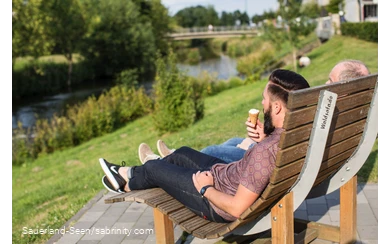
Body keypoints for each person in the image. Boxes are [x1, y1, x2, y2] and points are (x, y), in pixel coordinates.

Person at [99, 69, 310, 223]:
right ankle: (139, 175)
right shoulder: (294, 135)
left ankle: (125, 180)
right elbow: (268, 157)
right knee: (181, 154)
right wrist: (263, 137)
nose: (262, 104)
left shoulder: (266, 152)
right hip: (228, 177)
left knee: (155, 169)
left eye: (264, 99)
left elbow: (237, 208)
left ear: (276, 107)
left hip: (216, 203)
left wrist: (205, 188)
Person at [156, 59, 371, 163]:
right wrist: (265, 135)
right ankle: (173, 156)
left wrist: (264, 140)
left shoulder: (330, 113)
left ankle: (168, 162)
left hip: (276, 165)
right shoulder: (352, 112)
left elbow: (293, 149)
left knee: (213, 150)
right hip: (288, 158)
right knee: (232, 141)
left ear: (344, 88)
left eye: (330, 80)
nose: (325, 82)